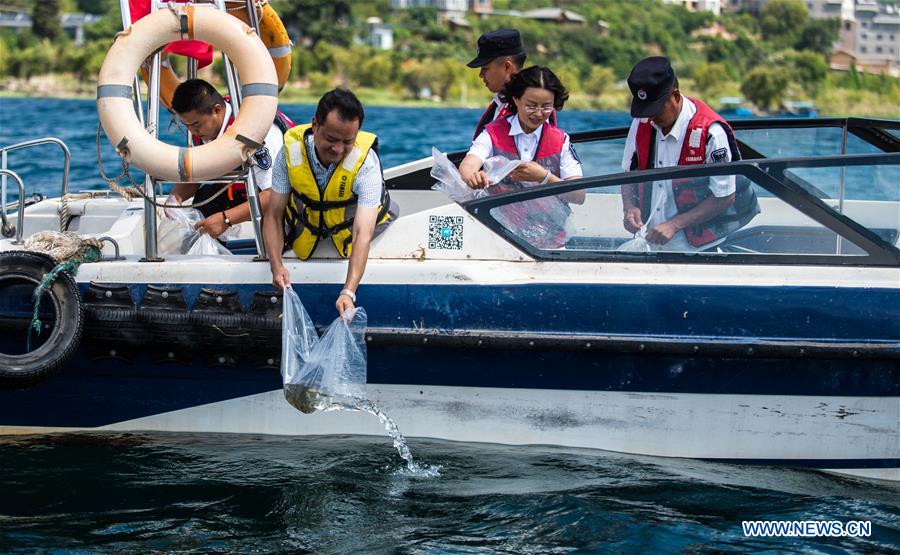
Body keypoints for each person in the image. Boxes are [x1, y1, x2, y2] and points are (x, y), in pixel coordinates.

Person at [263, 89, 397, 316]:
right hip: (305, 232)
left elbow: (362, 233)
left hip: (349, 234)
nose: (338, 149)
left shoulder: (366, 164)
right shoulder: (290, 153)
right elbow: (274, 215)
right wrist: (276, 267)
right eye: (331, 139)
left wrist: (348, 291)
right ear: (315, 124)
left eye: (348, 142)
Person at [620, 56, 758, 251]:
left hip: (700, 248)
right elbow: (628, 174)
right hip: (652, 244)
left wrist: (674, 224)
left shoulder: (711, 132)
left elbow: (725, 197)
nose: (651, 117)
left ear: (675, 96)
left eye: (657, 110)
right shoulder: (642, 123)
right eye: (646, 110)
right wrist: (629, 207)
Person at [458, 66, 584, 248]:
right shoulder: (492, 133)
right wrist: (472, 177)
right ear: (516, 100)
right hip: (497, 237)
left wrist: (545, 177)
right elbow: (468, 165)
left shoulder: (561, 141)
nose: (539, 113)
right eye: (531, 105)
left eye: (546, 106)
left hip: (551, 244)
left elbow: (579, 195)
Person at [167, 78, 288, 238]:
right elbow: (198, 172)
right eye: (187, 126)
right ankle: (204, 255)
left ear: (217, 110)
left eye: (196, 125)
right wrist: (175, 198)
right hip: (241, 189)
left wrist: (226, 219)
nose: (192, 132)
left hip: (284, 196)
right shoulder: (205, 130)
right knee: (205, 200)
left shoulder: (256, 131)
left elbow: (274, 194)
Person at [467, 28, 555, 140]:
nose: (481, 74)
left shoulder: (531, 111)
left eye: (485, 68)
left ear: (507, 67)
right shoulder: (502, 101)